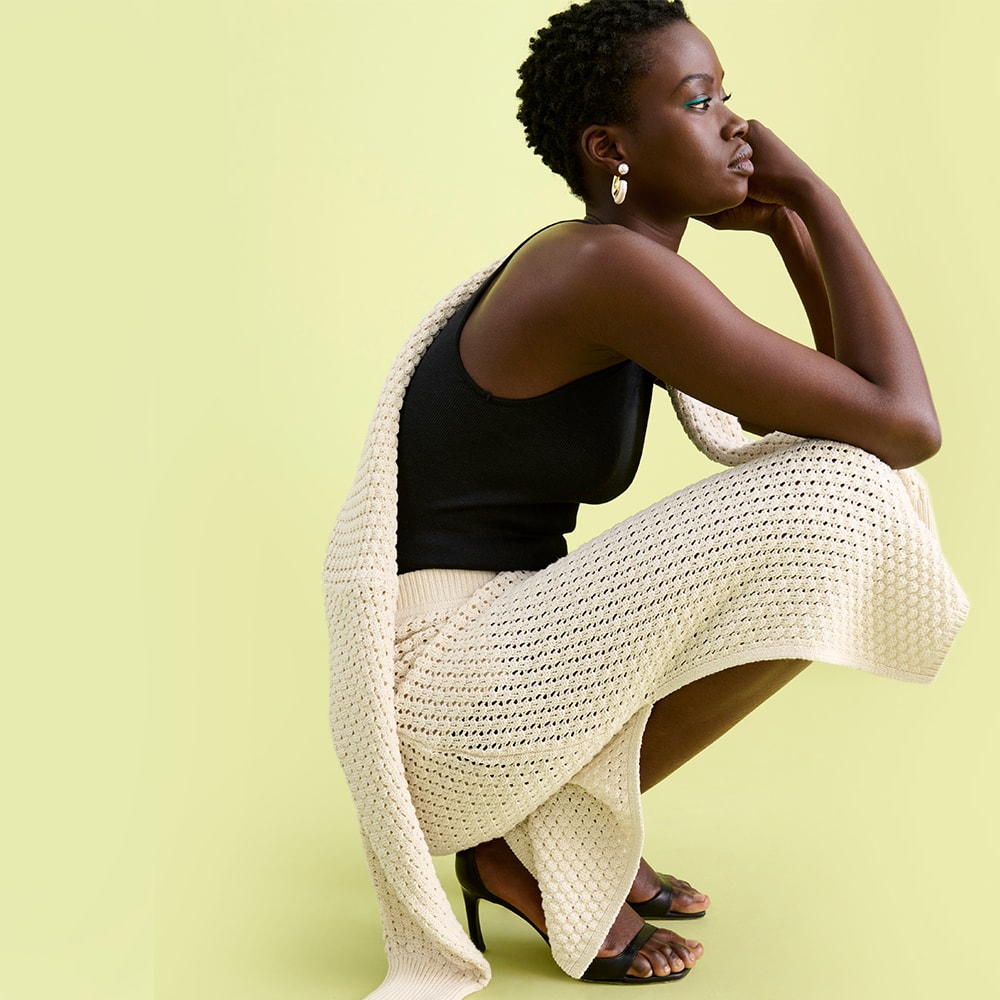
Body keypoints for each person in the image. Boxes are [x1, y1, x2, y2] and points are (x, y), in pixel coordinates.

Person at [324, 1, 968, 996]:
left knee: (858, 492)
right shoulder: (604, 272)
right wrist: (817, 197)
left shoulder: (613, 265)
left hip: (490, 679)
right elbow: (901, 420)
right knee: (844, 501)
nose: (733, 129)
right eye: (698, 100)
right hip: (446, 704)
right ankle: (525, 845)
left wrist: (788, 226)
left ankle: (552, 824)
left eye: (725, 97)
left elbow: (858, 409)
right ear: (610, 147)